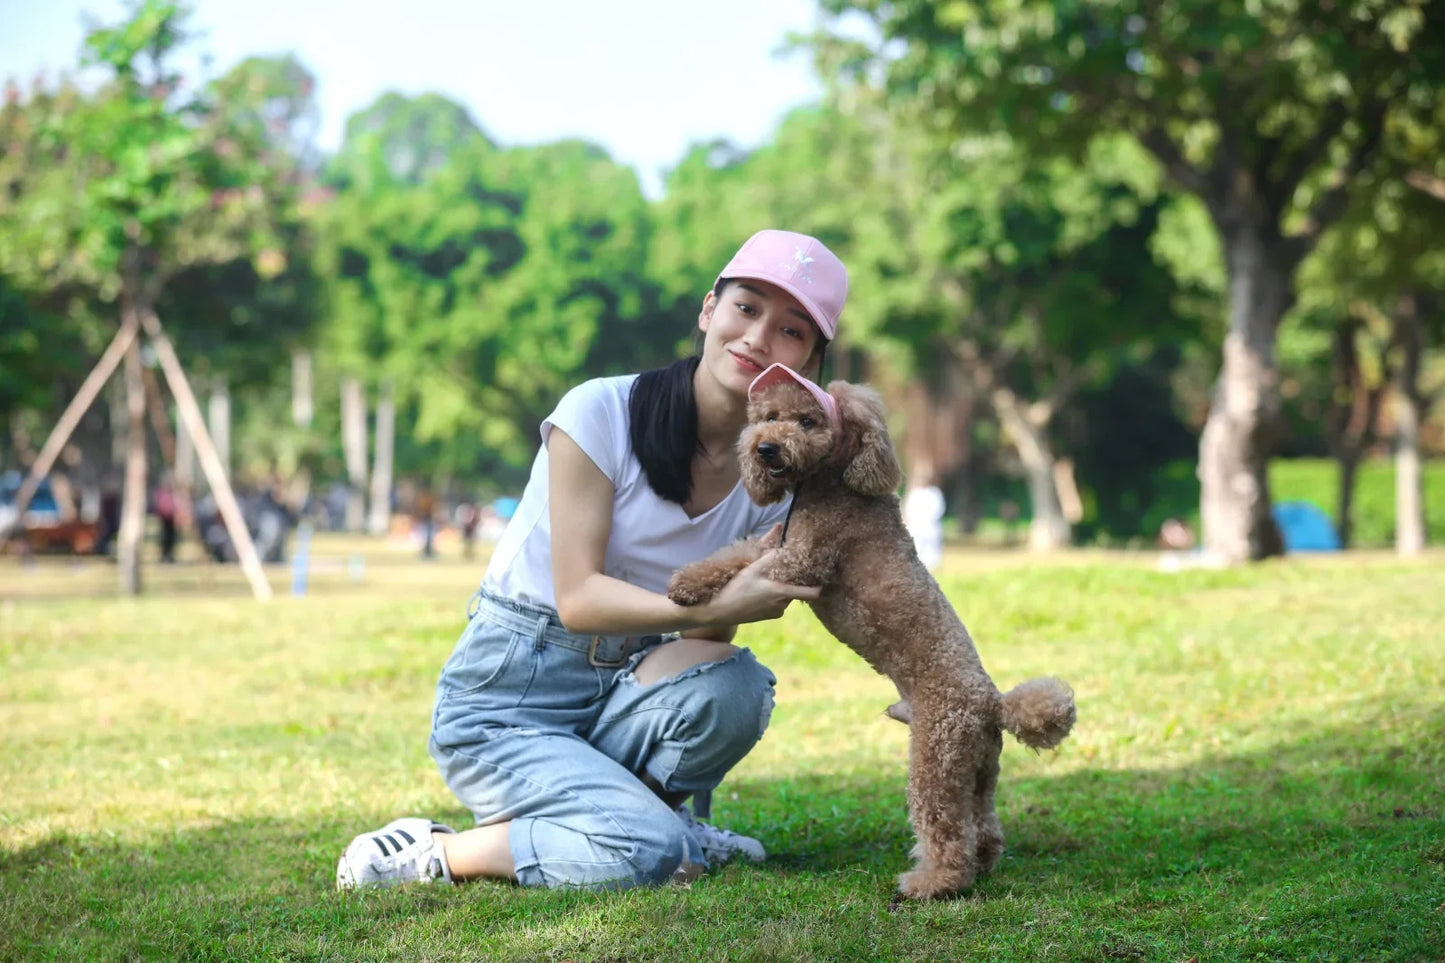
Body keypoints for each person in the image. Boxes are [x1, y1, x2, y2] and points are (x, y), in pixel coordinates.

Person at [336, 229, 849, 892]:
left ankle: (644, 821)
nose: (756, 338)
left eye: (790, 330)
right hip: (507, 699)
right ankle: (432, 849)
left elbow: (701, 645)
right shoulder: (599, 411)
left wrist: (734, 608)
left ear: (809, 359)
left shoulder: (774, 475)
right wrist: (721, 600)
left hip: (619, 688)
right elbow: (577, 599)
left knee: (737, 687)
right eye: (745, 308)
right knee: (646, 851)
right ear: (707, 310)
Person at [902, 474, 945, 571]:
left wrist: (928, 521)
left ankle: (933, 567)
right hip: (916, 527)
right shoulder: (914, 493)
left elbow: (938, 509)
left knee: (932, 550)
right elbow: (909, 510)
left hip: (931, 527)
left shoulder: (934, 493)